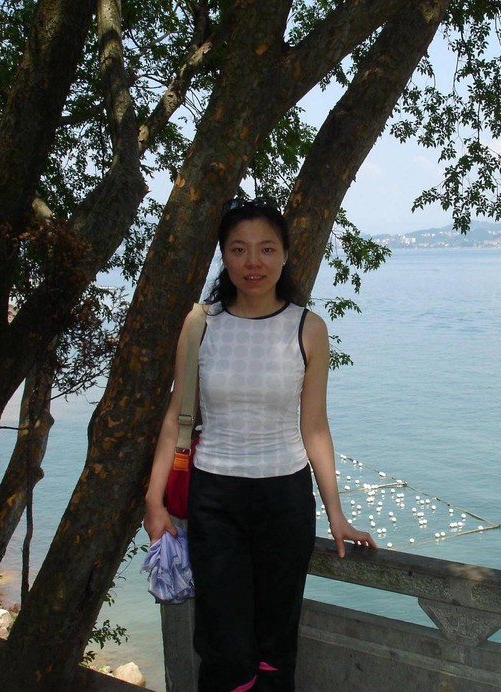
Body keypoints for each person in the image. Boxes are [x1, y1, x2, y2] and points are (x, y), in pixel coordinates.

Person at [144, 196, 376, 691]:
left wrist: (336, 514)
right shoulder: (200, 324)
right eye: (239, 249)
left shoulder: (308, 328)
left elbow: (315, 428)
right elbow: (175, 418)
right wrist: (153, 503)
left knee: (276, 644)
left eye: (267, 249)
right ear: (224, 256)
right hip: (215, 499)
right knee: (225, 647)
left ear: (286, 255)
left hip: (285, 499)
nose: (254, 262)